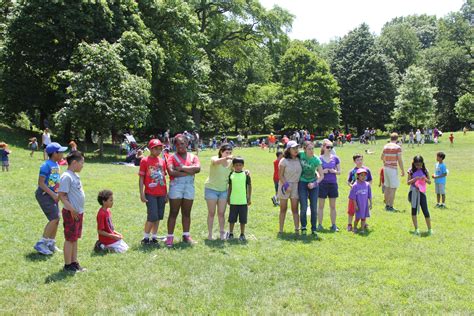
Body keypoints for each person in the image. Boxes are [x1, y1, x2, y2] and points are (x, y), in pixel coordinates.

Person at [166, 135, 201, 247]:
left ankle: (186, 235)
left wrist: (180, 168)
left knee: (186, 212)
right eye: (177, 144)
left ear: (187, 143)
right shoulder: (171, 157)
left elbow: (198, 169)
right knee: (173, 212)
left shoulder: (193, 156)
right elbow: (171, 172)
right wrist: (189, 171)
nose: (180, 146)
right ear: (174, 145)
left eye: (182, 143)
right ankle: (170, 237)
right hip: (176, 186)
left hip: (189, 186)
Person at [33, 142, 68, 255]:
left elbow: (55, 182)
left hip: (53, 195)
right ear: (54, 153)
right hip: (44, 195)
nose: (63, 154)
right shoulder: (46, 165)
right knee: (54, 218)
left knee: (57, 219)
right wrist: (53, 194)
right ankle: (41, 243)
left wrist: (58, 193)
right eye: (61, 152)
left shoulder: (56, 165)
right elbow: (41, 183)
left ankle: (50, 243)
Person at [58, 151, 86, 272]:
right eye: (82, 163)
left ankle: (74, 262)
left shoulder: (75, 175)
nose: (83, 165)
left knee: (75, 238)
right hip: (71, 213)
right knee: (70, 239)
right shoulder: (66, 176)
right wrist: (72, 209)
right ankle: (67, 265)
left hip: (77, 212)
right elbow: (62, 196)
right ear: (74, 162)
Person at [139, 139, 167, 245]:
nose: (159, 151)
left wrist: (166, 193)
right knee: (152, 215)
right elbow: (141, 178)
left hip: (161, 193)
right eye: (156, 149)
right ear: (151, 149)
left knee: (158, 216)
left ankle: (154, 237)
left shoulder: (162, 161)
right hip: (150, 193)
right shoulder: (145, 161)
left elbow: (163, 178)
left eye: (160, 149)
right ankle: (146, 238)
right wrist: (141, 193)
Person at [205, 144, 233, 240]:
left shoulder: (230, 163)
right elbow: (216, 162)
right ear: (221, 152)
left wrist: (246, 171)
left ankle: (222, 233)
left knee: (221, 213)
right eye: (226, 152)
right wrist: (226, 158)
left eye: (230, 153)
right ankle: (210, 234)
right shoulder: (215, 158)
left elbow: (237, 169)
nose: (228, 155)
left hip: (223, 191)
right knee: (211, 213)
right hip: (211, 189)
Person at [298, 141, 324, 235]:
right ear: (304, 149)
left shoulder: (316, 160)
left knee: (314, 207)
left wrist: (314, 184)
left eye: (312, 149)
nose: (311, 151)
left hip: (313, 183)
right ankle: (303, 227)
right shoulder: (300, 155)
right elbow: (290, 154)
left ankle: (314, 228)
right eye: (309, 149)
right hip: (302, 183)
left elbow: (322, 176)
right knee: (304, 206)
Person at [278, 141, 302, 234]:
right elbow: (280, 176)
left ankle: (297, 229)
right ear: (288, 150)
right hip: (285, 185)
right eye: (293, 148)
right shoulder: (284, 161)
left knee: (295, 209)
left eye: (297, 148)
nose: (296, 150)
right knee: (283, 208)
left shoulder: (299, 159)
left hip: (296, 185)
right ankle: (281, 229)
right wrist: (286, 185)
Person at [317, 140, 341, 232]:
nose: (330, 149)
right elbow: (315, 171)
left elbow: (339, 171)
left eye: (331, 147)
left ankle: (333, 225)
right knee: (321, 206)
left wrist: (334, 171)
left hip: (332, 184)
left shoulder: (335, 158)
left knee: (333, 206)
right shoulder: (319, 158)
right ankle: (319, 225)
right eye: (328, 147)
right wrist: (323, 171)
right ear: (323, 147)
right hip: (322, 184)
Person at [226, 157, 252, 241]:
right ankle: (231, 233)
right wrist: (228, 197)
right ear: (233, 166)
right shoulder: (231, 175)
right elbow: (230, 187)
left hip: (243, 201)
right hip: (233, 201)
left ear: (243, 166)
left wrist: (249, 197)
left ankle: (242, 234)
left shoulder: (246, 175)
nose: (238, 167)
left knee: (243, 219)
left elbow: (249, 186)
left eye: (240, 165)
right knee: (232, 219)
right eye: (236, 165)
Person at [407, 155, 433, 236]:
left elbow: (429, 182)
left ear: (422, 163)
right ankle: (416, 229)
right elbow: (408, 182)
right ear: (413, 163)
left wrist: (424, 179)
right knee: (414, 210)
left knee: (425, 210)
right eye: (416, 165)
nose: (418, 166)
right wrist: (414, 179)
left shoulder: (425, 170)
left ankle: (429, 229)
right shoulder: (411, 171)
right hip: (413, 192)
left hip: (422, 193)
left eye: (420, 165)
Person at [346, 154, 372, 232]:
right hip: (354, 193)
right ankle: (350, 225)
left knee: (363, 208)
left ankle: (363, 223)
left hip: (363, 193)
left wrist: (366, 187)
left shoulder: (367, 170)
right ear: (354, 161)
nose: (359, 161)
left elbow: (370, 180)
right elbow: (348, 181)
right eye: (358, 160)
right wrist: (352, 186)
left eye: (361, 159)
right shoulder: (352, 171)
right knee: (351, 209)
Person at [381, 133, 404, 211]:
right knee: (393, 188)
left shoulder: (385, 146)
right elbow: (400, 160)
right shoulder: (398, 147)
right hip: (393, 169)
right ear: (397, 139)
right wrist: (402, 170)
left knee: (387, 187)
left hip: (386, 168)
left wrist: (385, 162)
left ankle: (387, 205)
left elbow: (382, 157)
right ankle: (390, 206)